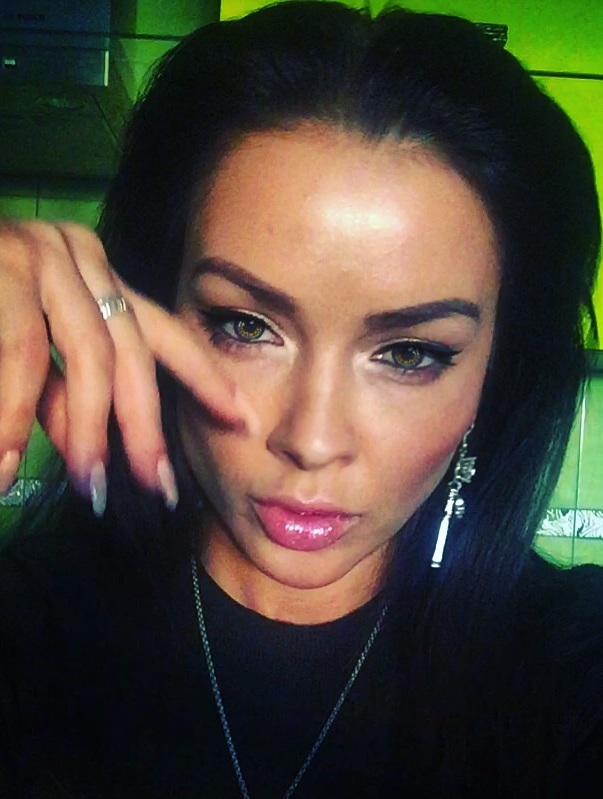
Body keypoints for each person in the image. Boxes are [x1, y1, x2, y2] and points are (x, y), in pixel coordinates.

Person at [0, 2, 602, 796]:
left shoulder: (568, 663)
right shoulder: (28, 631)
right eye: (245, 326)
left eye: (409, 353)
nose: (311, 439)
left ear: (497, 373)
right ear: (149, 309)